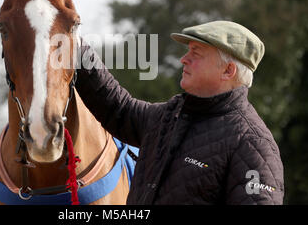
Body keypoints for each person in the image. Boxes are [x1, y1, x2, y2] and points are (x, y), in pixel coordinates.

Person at [75, 20, 284, 204]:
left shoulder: (253, 143)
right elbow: (119, 109)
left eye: (196, 53)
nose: (184, 59)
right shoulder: (169, 116)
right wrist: (75, 45)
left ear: (228, 70)